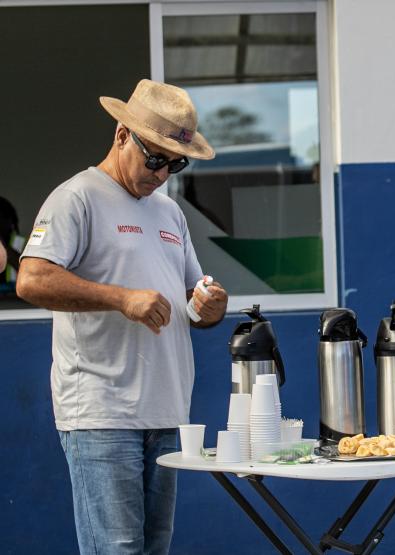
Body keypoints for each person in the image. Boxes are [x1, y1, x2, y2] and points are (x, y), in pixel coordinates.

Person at [16, 79, 228, 555]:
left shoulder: (170, 212)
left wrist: (209, 305)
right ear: (120, 135)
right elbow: (31, 279)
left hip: (166, 409)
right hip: (101, 411)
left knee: (153, 550)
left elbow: (195, 299)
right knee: (117, 551)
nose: (161, 173)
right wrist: (120, 298)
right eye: (154, 158)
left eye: (176, 164)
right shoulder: (77, 197)